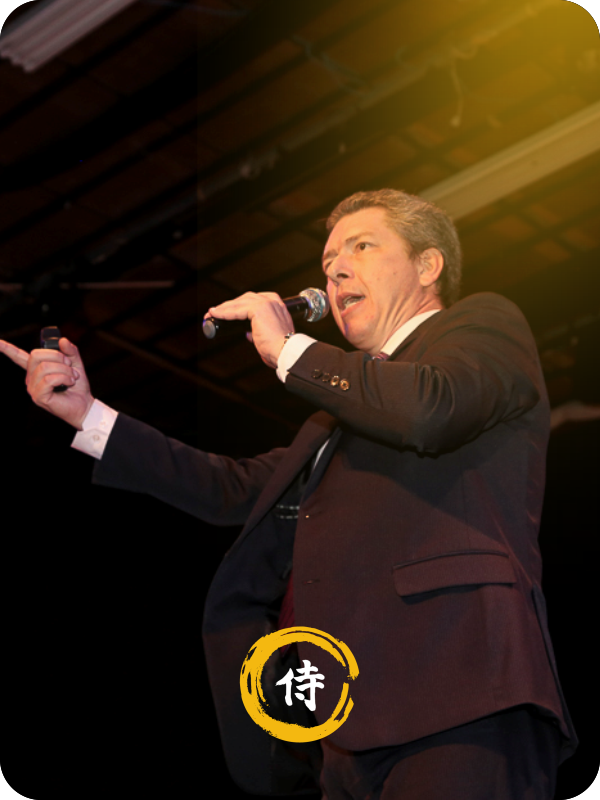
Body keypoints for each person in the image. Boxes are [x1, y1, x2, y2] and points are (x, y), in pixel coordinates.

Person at [0, 189, 577, 799]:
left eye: (361, 246)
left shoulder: (482, 326)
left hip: (459, 689)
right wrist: (87, 415)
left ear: (428, 265)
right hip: (346, 729)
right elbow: (230, 487)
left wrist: (288, 351)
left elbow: (432, 407)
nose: (336, 270)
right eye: (328, 262)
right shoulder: (337, 419)